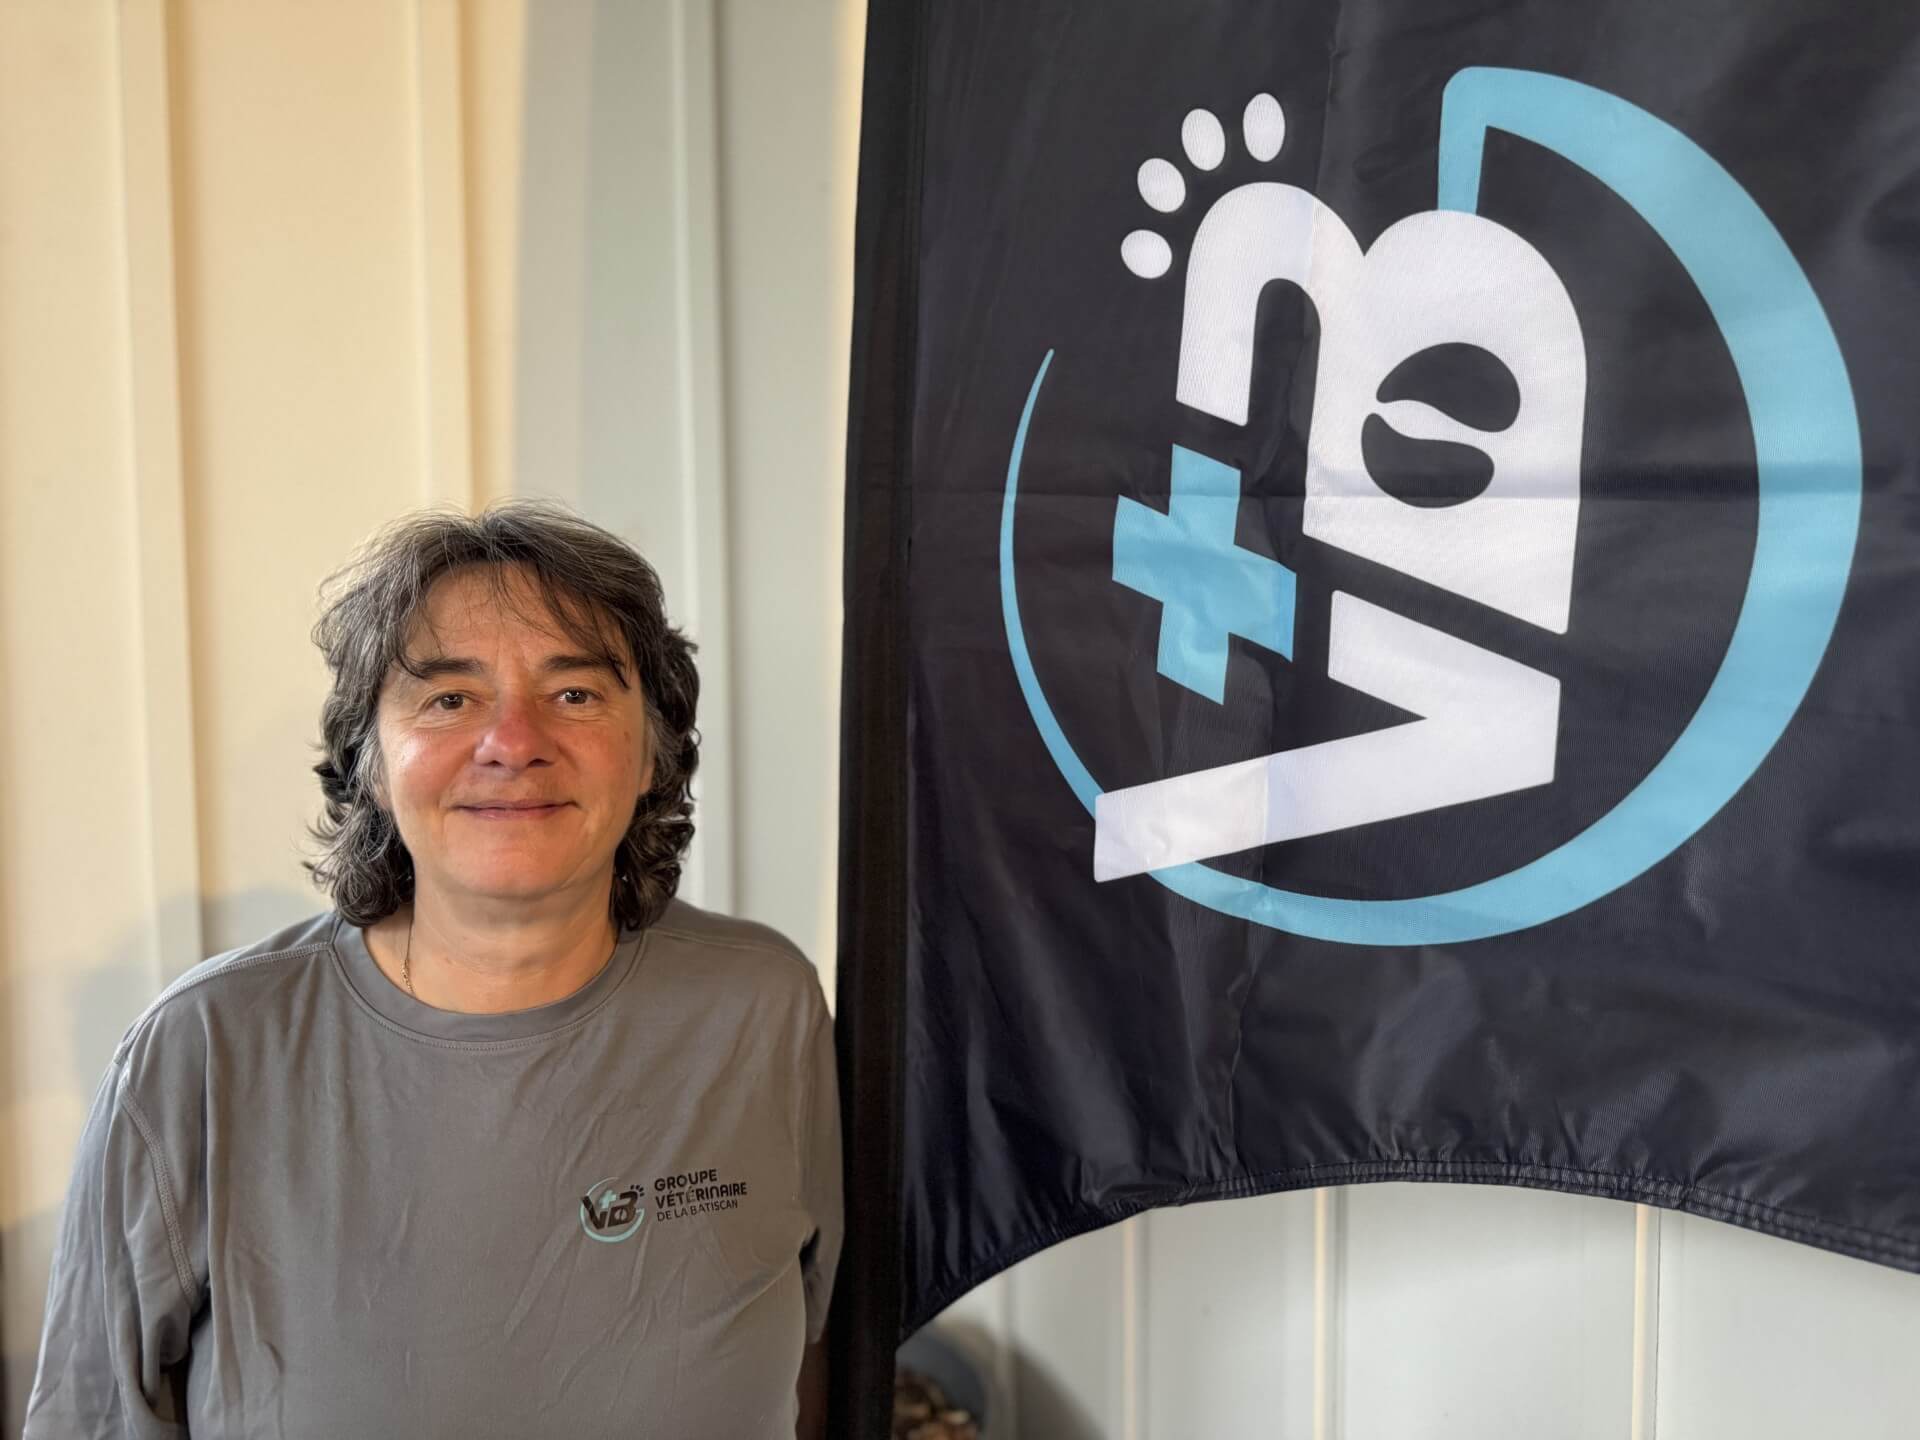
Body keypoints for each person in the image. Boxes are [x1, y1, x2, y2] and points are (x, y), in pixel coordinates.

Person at [23, 502, 842, 1438]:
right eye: (450, 698)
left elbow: (810, 1352)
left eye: (576, 693)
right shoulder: (203, 1052)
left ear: (655, 750)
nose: (514, 741)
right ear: (369, 761)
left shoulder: (763, 1008)